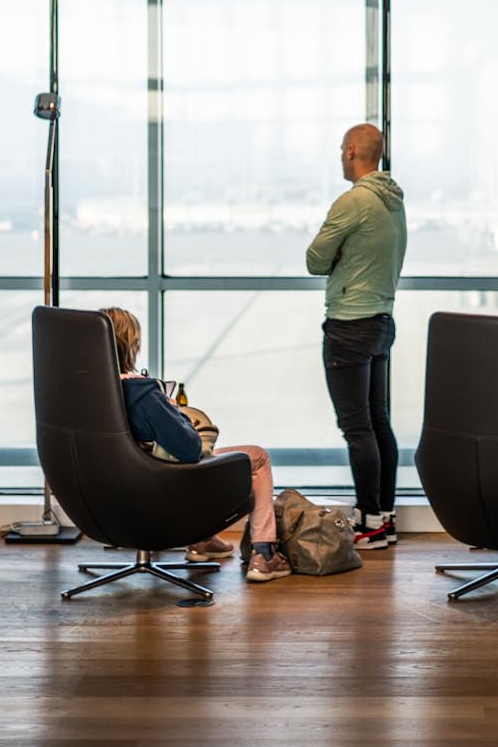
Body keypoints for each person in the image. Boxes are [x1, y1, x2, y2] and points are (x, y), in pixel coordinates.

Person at [95, 307, 290, 583]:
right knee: (256, 457)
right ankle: (265, 556)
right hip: (155, 493)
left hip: (107, 500)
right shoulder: (142, 394)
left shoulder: (79, 395)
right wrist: (174, 413)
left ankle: (204, 541)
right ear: (132, 346)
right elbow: (189, 450)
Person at [305, 123, 407, 550]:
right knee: (378, 421)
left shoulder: (353, 202)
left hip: (349, 325)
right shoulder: (394, 202)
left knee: (357, 428)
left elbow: (314, 259)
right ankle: (384, 515)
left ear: (351, 151)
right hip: (382, 322)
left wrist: (339, 256)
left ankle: (368, 521)